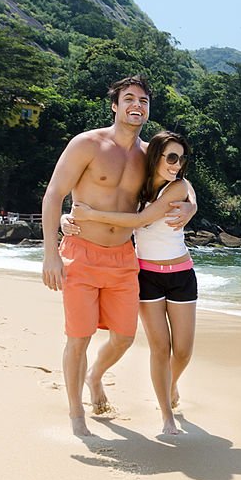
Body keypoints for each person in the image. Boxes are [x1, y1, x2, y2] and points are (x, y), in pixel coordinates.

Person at [41, 75, 195, 437]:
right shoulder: (88, 144)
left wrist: (191, 207)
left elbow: (181, 181)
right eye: (129, 99)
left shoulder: (149, 156)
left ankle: (95, 376)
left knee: (124, 336)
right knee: (79, 337)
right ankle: (77, 415)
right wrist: (50, 252)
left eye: (143, 100)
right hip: (81, 253)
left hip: (125, 258)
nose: (136, 105)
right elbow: (54, 194)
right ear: (115, 105)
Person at [69, 131, 196, 436]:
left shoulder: (177, 187)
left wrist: (192, 206)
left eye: (181, 158)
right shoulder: (138, 186)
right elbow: (118, 201)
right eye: (171, 157)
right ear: (156, 157)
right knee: (160, 349)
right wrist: (71, 218)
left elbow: (142, 220)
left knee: (183, 351)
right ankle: (167, 416)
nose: (177, 164)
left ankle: (171, 382)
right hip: (147, 275)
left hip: (181, 274)